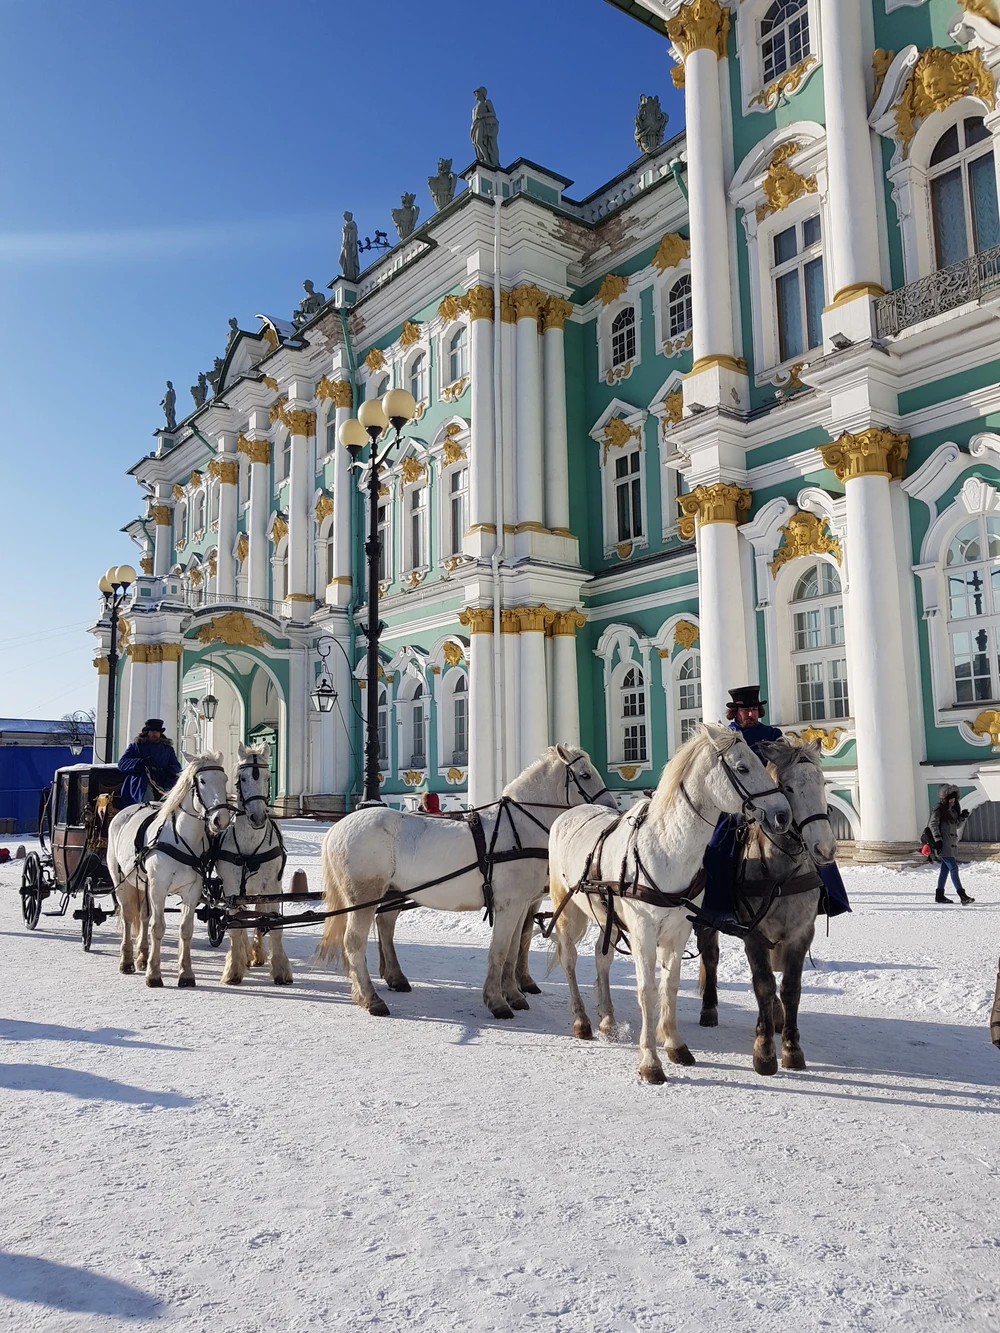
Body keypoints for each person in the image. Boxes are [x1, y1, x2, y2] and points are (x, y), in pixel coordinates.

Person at [698, 685, 851, 936]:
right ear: (735, 713)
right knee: (717, 848)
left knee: (811, 835)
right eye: (745, 711)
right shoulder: (728, 737)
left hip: (772, 802)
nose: (750, 715)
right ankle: (719, 908)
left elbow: (786, 767)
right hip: (738, 807)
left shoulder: (772, 734)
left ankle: (829, 895)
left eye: (753, 710)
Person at [118, 719, 182, 808]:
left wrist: (169, 770)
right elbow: (122, 763)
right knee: (148, 803)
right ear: (147, 732)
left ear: (160, 733)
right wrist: (139, 763)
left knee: (174, 803)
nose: (154, 734)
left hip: (164, 782)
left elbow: (176, 766)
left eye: (157, 731)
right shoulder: (136, 747)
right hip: (142, 782)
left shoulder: (167, 749)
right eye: (152, 731)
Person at [928, 784, 975, 904]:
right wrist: (938, 839)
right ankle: (962, 895)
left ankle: (939, 895)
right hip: (943, 844)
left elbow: (956, 826)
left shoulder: (953, 810)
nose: (952, 802)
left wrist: (962, 818)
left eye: (954, 799)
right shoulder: (939, 809)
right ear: (945, 799)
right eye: (950, 800)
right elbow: (933, 825)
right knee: (953, 868)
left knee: (945, 870)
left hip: (951, 844)